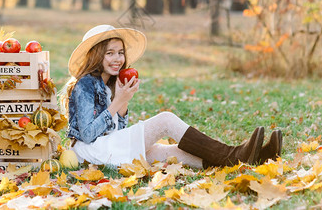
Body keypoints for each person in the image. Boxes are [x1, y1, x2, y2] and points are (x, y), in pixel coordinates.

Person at [59, 25, 283, 168]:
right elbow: (88, 135)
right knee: (165, 120)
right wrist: (119, 101)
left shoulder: (110, 83)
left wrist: (123, 100)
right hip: (90, 152)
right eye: (109, 53)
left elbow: (117, 130)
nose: (117, 58)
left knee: (171, 152)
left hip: (109, 148)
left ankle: (256, 158)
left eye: (120, 52)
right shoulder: (86, 84)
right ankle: (234, 155)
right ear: (97, 57)